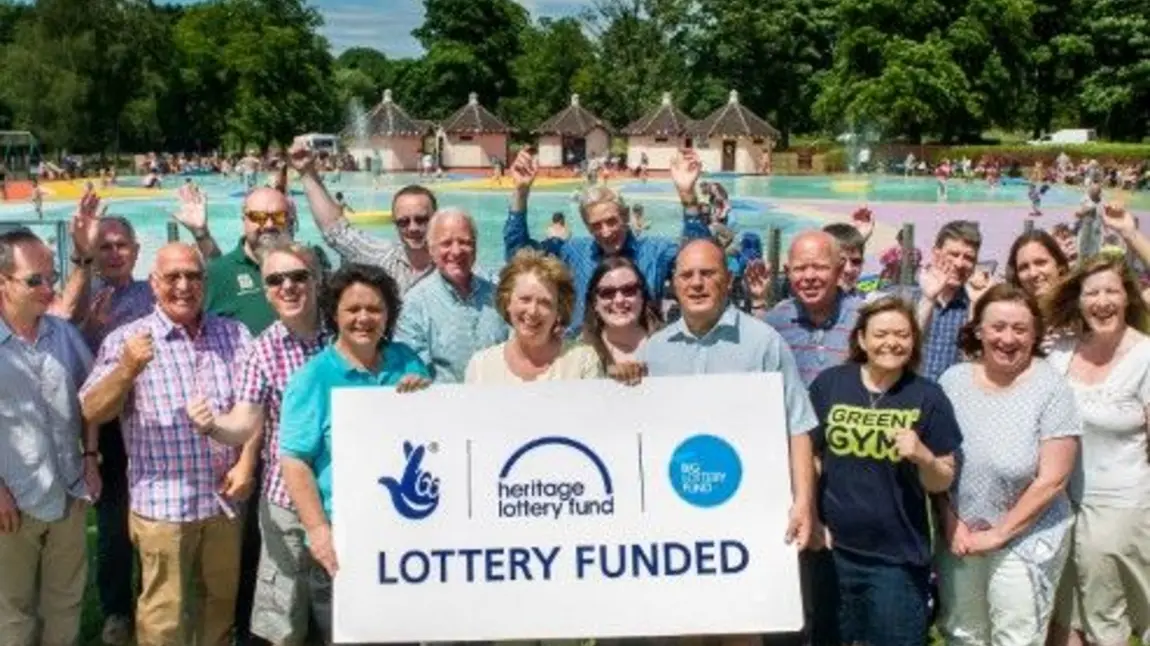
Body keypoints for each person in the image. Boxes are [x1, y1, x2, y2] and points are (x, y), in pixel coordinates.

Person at [620, 238, 819, 646]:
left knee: (742, 626)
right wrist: (623, 380)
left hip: (747, 511)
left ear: (727, 281)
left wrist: (803, 502)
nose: (696, 284)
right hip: (679, 512)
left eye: (708, 274)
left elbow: (797, 426)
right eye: (687, 275)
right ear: (673, 283)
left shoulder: (763, 343)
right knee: (687, 624)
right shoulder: (654, 351)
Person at [80, 243, 254, 646]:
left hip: (224, 501)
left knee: (219, 606)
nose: (183, 286)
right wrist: (126, 369)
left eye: (193, 276)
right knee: (164, 617)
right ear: (154, 283)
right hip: (163, 506)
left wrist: (245, 463)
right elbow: (92, 409)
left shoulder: (234, 334)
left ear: (204, 282)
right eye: (172, 277)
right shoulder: (127, 340)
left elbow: (255, 407)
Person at [187, 239, 329, 646]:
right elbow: (245, 421)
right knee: (281, 616)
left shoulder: (343, 331)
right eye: (275, 280)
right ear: (265, 290)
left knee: (340, 612)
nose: (287, 286)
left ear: (316, 280)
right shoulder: (260, 350)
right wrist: (213, 426)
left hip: (342, 495)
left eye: (298, 276)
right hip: (285, 500)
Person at [280, 264, 431, 644]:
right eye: (353, 309)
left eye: (375, 310)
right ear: (335, 313)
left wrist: (426, 397)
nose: (364, 318)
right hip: (342, 539)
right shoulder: (312, 377)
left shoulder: (406, 361)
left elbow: (432, 437)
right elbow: (295, 460)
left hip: (404, 538)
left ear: (389, 316)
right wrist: (318, 531)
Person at [808, 296, 961, 646]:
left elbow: (943, 478)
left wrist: (922, 455)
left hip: (896, 558)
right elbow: (809, 455)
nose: (891, 342)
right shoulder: (831, 384)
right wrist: (815, 519)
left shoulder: (928, 396)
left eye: (902, 334)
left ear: (914, 341)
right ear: (861, 339)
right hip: (834, 551)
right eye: (880, 334)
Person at [936, 284, 1081, 646]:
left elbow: (1052, 479)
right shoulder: (952, 382)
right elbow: (938, 464)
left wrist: (999, 534)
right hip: (961, 532)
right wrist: (952, 522)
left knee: (1015, 636)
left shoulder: (1052, 389)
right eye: (998, 327)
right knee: (962, 632)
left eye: (1020, 329)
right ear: (979, 330)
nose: (1007, 338)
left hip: (1025, 536)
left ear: (1035, 335)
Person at [1045, 256, 1150, 646]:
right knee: (1062, 615)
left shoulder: (1145, 356)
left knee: (1106, 620)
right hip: (1059, 503)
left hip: (1121, 506)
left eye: (1112, 291)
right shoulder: (1061, 351)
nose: (1102, 301)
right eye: (1093, 292)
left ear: (1128, 298)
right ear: (1078, 299)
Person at [0, 230, 96, 646]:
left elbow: (93, 394)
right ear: (3, 281)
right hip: (11, 504)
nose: (47, 288)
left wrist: (91, 457)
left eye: (50, 277)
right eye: (34, 280)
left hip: (69, 495)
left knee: (65, 602)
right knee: (12, 611)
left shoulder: (63, 334)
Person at [503, 149, 710, 333]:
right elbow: (519, 258)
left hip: (640, 355)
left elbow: (702, 257)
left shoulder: (654, 251)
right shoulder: (573, 252)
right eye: (596, 225)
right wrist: (521, 192)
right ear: (587, 226)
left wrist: (687, 195)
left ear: (626, 216)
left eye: (612, 221)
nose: (606, 232)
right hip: (584, 356)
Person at [81, 216, 156, 645]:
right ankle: (115, 611)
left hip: (149, 420)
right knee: (112, 525)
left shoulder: (152, 294)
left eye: (121, 245)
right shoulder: (80, 299)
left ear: (135, 250)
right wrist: (91, 325)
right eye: (104, 246)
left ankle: (151, 602)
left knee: (153, 519)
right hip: (105, 424)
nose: (113, 253)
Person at [290, 138, 435, 293]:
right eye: (403, 222)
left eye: (421, 220)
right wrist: (307, 172)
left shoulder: (454, 261)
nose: (413, 228)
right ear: (395, 224)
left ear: (436, 219)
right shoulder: (383, 257)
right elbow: (337, 232)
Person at [395, 209, 509, 383]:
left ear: (475, 247)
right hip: (444, 404)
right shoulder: (415, 303)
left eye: (465, 242)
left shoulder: (498, 293)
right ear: (431, 250)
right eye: (446, 243)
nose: (456, 251)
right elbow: (413, 368)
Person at [466, 249, 602, 383]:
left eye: (545, 302)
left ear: (559, 310)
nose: (533, 311)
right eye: (525, 299)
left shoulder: (583, 361)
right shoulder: (481, 367)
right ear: (507, 301)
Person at [762, 230, 865, 386]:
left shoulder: (864, 319)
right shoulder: (774, 324)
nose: (809, 276)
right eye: (800, 268)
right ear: (788, 272)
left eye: (819, 267)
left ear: (838, 270)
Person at [911, 220, 983, 381]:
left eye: (968, 258)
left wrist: (975, 307)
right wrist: (929, 298)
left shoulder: (975, 306)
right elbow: (905, 345)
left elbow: (974, 364)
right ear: (936, 253)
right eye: (954, 254)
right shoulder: (910, 298)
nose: (959, 264)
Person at [581, 256, 660, 370]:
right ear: (594, 303)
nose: (619, 300)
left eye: (629, 290)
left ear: (642, 296)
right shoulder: (579, 355)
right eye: (607, 293)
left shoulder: (669, 343)